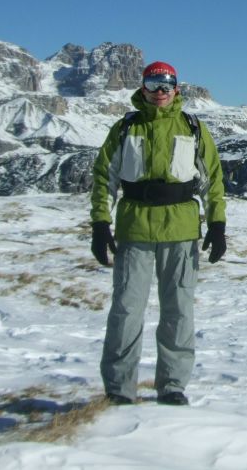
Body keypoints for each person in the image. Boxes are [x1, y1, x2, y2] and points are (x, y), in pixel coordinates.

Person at [90, 60, 227, 406]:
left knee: (179, 311)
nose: (160, 92)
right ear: (143, 89)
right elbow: (105, 177)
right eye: (153, 84)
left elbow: (212, 179)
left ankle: (172, 386)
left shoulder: (193, 128)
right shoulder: (126, 128)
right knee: (126, 309)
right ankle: (119, 388)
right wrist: (100, 224)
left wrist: (218, 224)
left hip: (181, 231)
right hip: (134, 228)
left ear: (177, 89)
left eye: (167, 85)